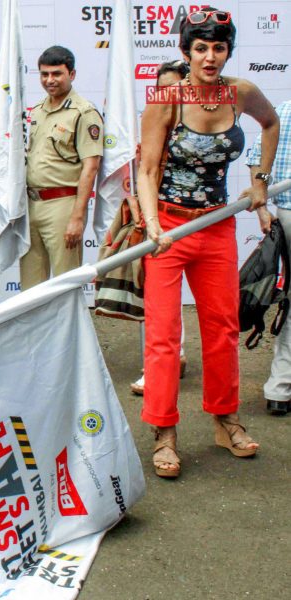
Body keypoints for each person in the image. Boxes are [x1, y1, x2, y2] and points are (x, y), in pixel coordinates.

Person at [137, 8, 279, 477]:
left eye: (219, 47)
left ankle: (225, 419)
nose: (210, 56)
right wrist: (153, 224)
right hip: (170, 230)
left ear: (227, 51)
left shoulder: (240, 94)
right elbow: (148, 169)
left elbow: (271, 124)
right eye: (201, 48)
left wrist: (259, 180)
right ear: (186, 52)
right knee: (163, 337)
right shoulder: (167, 98)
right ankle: (164, 432)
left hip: (216, 227)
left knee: (221, 329)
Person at [130, 61, 190, 397]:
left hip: (196, 219)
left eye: (177, 86)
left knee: (168, 302)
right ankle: (160, 366)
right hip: (157, 219)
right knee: (155, 298)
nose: (171, 94)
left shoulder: (201, 126)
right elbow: (144, 172)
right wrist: (142, 213)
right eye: (164, 88)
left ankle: (174, 358)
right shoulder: (154, 120)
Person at [20, 46, 103, 290]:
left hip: (63, 204)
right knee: (31, 287)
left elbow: (91, 167)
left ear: (72, 74)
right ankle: (38, 330)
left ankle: (69, 330)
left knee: (65, 284)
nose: (50, 80)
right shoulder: (36, 111)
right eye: (44, 74)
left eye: (57, 74)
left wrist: (77, 218)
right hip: (31, 204)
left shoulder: (84, 112)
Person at [249, 97, 291, 416]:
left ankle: (280, 387)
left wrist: (263, 208)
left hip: (286, 211)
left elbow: (254, 157)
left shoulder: (283, 108)